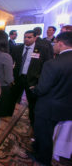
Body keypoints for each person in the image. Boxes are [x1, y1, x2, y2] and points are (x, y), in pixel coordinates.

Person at [28, 32, 72, 166]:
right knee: (53, 133)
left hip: (49, 107)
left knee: (44, 134)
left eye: (55, 43)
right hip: (66, 106)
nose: (53, 45)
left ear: (60, 43)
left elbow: (42, 89)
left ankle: (42, 159)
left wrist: (33, 89)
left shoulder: (52, 64)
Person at [11, 30, 51, 127]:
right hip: (19, 78)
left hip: (32, 80)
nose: (26, 39)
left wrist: (39, 80)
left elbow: (47, 65)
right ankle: (9, 115)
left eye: (29, 37)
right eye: (25, 37)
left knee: (32, 103)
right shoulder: (18, 48)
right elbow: (13, 62)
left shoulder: (42, 49)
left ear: (35, 38)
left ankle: (33, 122)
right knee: (12, 98)